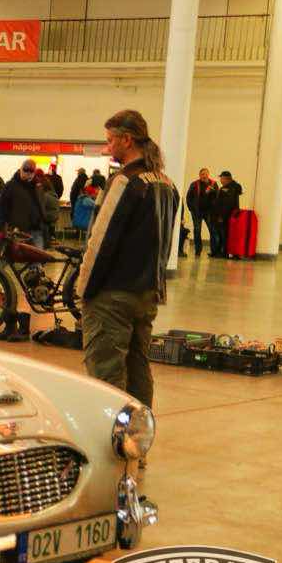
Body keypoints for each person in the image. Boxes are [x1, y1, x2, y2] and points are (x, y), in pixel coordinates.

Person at [75, 110, 179, 409]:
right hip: (146, 293)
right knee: (138, 369)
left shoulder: (124, 181)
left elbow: (101, 240)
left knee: (105, 374)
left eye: (110, 140)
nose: (107, 147)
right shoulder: (166, 184)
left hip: (112, 295)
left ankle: (111, 435)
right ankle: (139, 433)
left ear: (127, 139)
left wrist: (84, 288)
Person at [0, 159, 49, 246]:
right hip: (18, 231)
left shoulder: (38, 186)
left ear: (34, 172)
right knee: (20, 253)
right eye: (26, 169)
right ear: (21, 169)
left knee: (37, 253)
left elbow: (41, 206)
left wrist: (43, 222)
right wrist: (4, 227)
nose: (28, 173)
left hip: (37, 230)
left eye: (31, 170)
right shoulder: (11, 186)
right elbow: (2, 208)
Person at [185, 168, 217, 258]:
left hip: (208, 212)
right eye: (202, 174)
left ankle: (214, 251)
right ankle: (198, 251)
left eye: (205, 174)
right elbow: (188, 198)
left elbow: (216, 197)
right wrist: (192, 209)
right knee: (197, 231)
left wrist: (212, 193)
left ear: (208, 174)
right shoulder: (194, 184)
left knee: (212, 230)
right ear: (199, 175)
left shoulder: (213, 184)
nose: (204, 176)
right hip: (197, 212)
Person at [212, 170, 243, 257]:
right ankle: (222, 252)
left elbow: (226, 204)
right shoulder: (232, 187)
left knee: (224, 235)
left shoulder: (228, 189)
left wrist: (221, 216)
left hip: (225, 216)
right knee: (224, 234)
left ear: (226, 179)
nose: (221, 180)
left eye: (221, 178)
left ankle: (223, 252)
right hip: (230, 216)